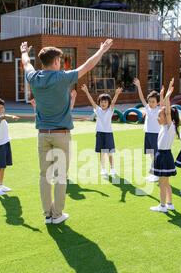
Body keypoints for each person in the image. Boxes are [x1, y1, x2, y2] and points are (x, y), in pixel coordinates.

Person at [21, 39, 113, 225]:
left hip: (42, 135)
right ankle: (57, 214)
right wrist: (102, 50)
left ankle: (48, 214)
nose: (61, 64)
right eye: (59, 61)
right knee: (60, 176)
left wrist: (24, 51)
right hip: (61, 135)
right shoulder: (62, 77)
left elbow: (26, 63)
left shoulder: (34, 77)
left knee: (44, 175)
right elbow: (88, 65)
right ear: (55, 62)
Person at [150, 79, 180, 213]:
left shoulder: (169, 126)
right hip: (163, 155)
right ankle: (169, 203)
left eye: (159, 116)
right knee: (166, 183)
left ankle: (162, 206)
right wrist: (164, 96)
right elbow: (164, 109)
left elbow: (167, 112)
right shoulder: (165, 126)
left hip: (164, 155)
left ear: (168, 118)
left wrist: (168, 95)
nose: (157, 117)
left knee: (162, 184)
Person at [81, 84, 123, 177]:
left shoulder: (110, 110)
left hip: (108, 134)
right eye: (101, 102)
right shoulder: (98, 110)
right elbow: (92, 101)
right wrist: (87, 91)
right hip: (100, 133)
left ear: (108, 103)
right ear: (99, 103)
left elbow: (113, 103)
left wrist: (116, 94)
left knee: (110, 152)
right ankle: (103, 169)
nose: (103, 103)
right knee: (102, 152)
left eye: (105, 102)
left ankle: (112, 168)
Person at [133, 78, 164, 182]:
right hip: (147, 134)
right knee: (151, 154)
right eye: (149, 101)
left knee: (155, 155)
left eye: (153, 101)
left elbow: (163, 104)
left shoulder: (159, 110)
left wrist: (163, 94)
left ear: (157, 102)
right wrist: (138, 86)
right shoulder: (147, 108)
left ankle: (157, 174)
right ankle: (154, 173)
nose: (151, 103)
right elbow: (141, 97)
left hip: (155, 135)